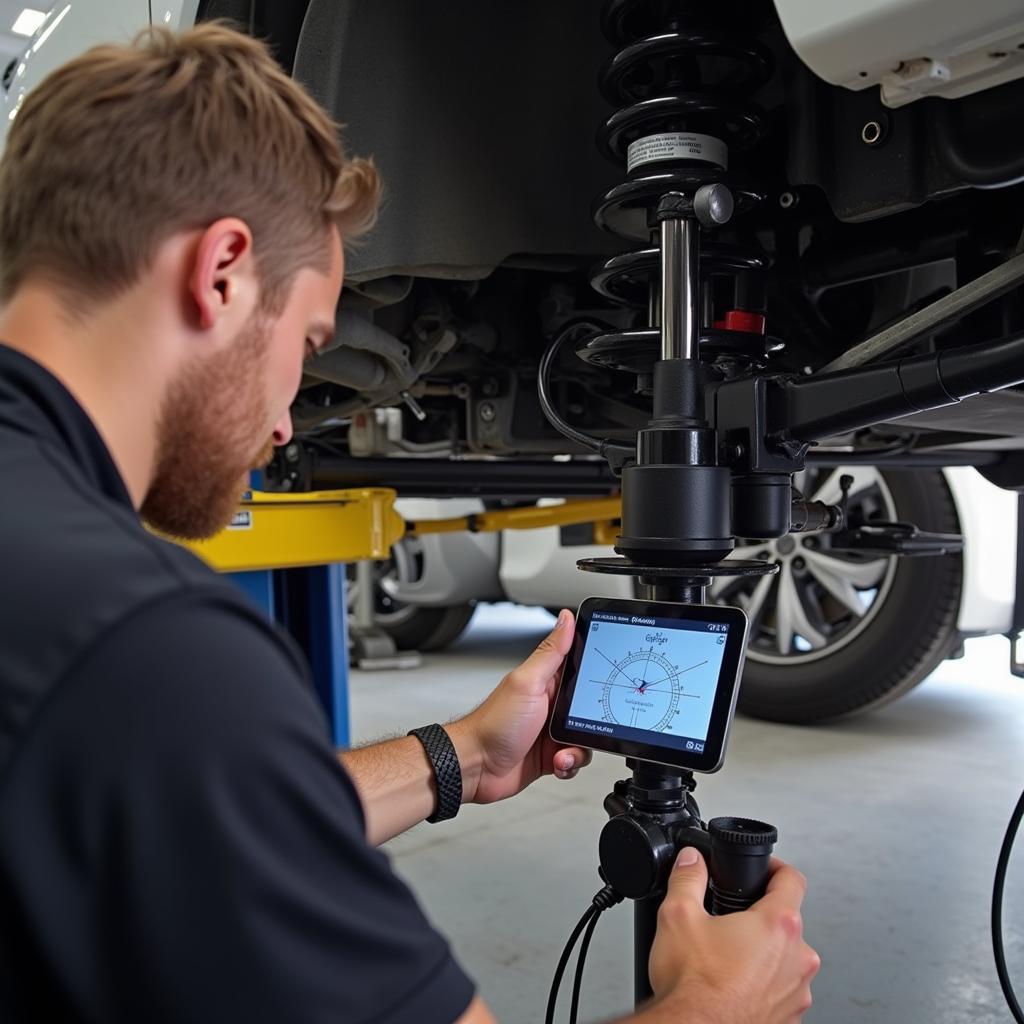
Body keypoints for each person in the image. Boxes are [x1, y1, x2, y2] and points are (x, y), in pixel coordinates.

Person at [0, 22, 820, 1024]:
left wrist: (462, 755)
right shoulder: (147, 645)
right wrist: (713, 1008)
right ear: (220, 271)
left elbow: (195, 812)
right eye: (307, 339)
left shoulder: (61, 601)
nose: (288, 416)